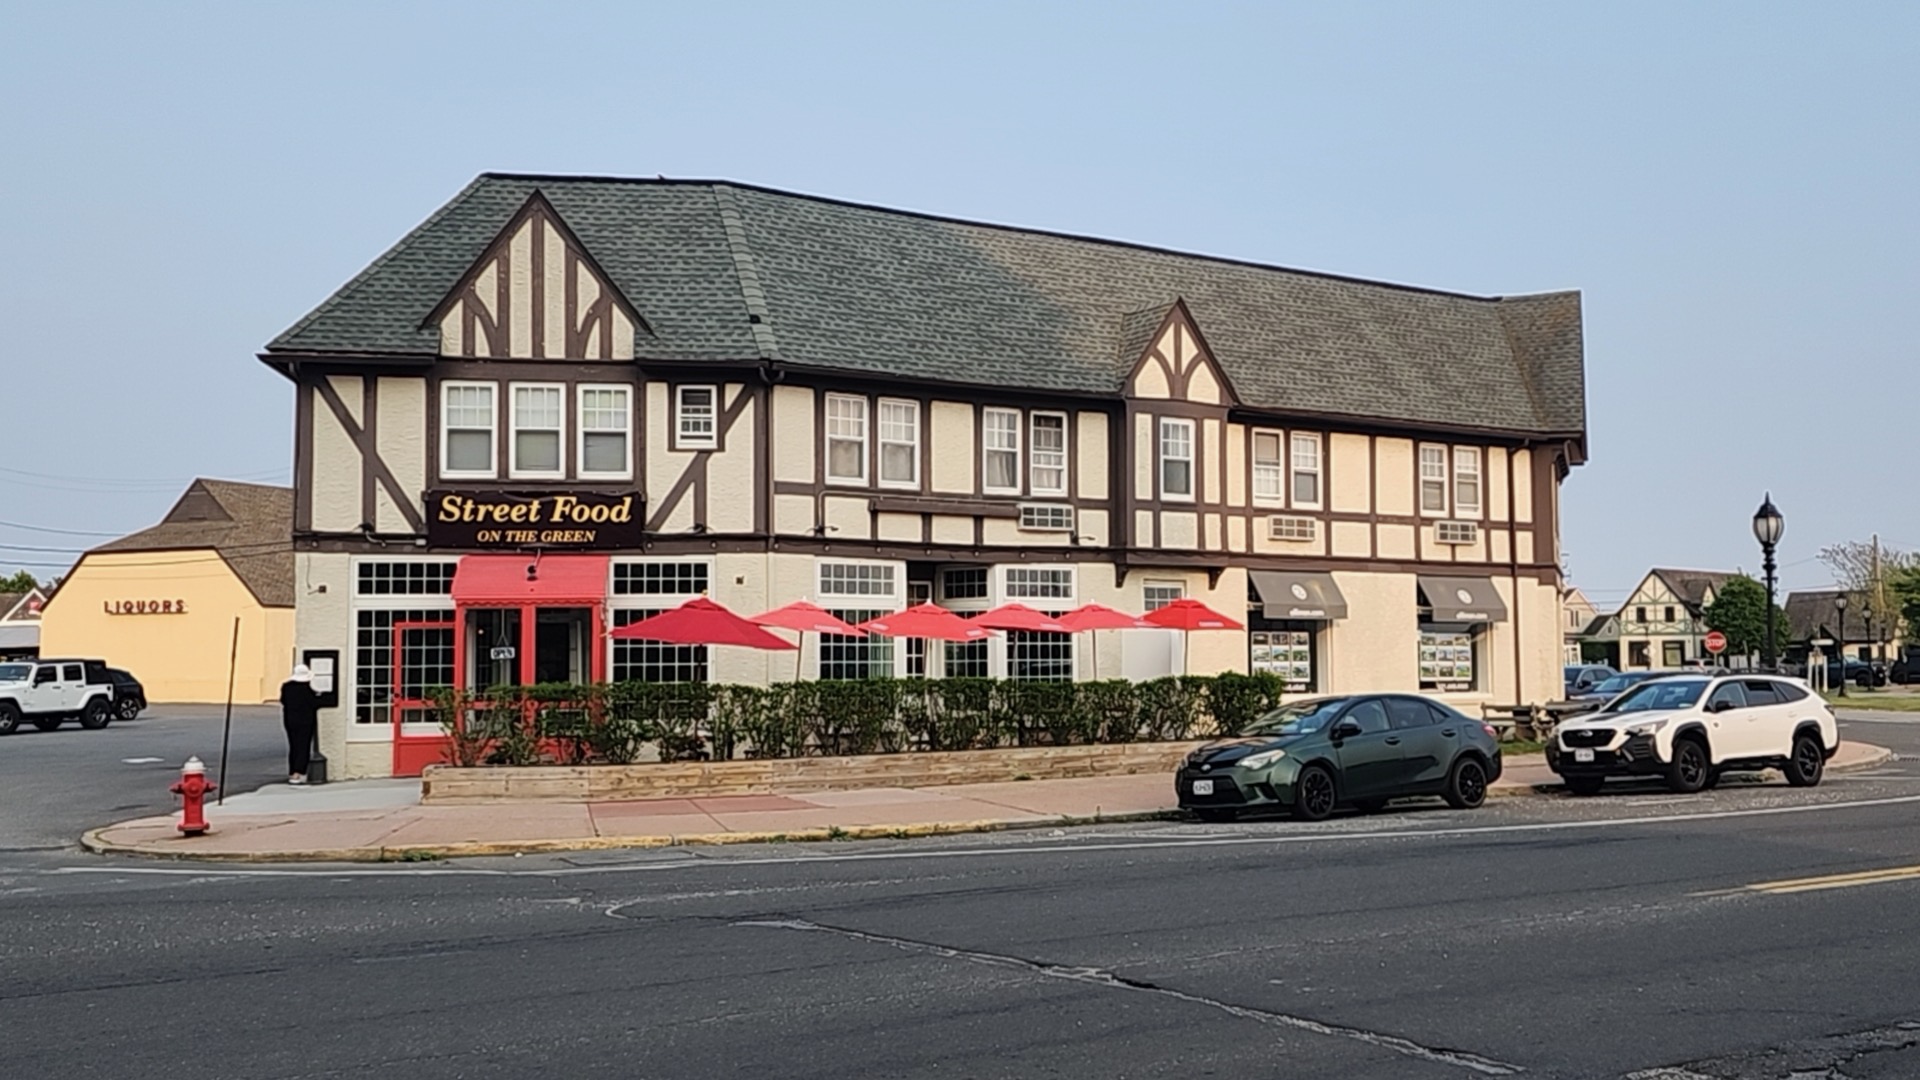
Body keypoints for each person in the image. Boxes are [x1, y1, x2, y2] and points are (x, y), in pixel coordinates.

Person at [279, 664, 320, 785]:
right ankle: (299, 772)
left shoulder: (286, 687)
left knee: (294, 745)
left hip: (290, 720)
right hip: (306, 720)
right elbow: (314, 702)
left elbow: (283, 701)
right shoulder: (306, 688)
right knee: (303, 746)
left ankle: (292, 771)